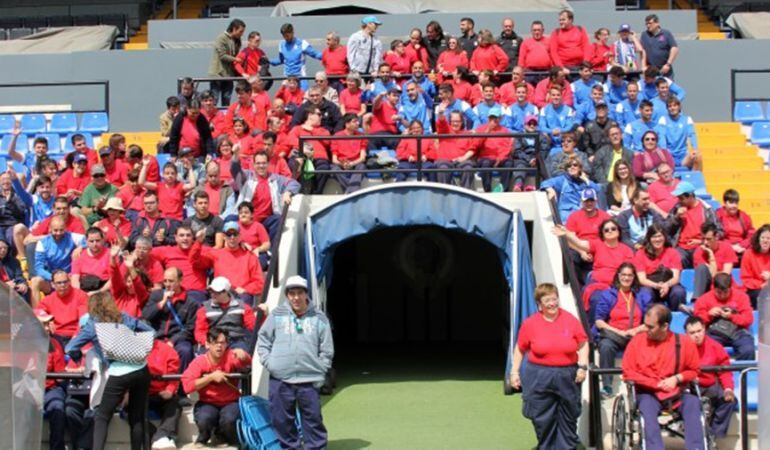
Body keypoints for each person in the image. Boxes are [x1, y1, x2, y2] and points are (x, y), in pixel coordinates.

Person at [65, 292, 154, 450]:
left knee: (101, 416)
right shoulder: (124, 318)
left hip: (119, 372)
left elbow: (70, 347)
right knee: (136, 417)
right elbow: (150, 331)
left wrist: (78, 357)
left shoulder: (93, 325)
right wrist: (134, 345)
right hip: (142, 369)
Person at [258, 275, 334, 450]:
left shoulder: (320, 318)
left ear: (306, 294)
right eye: (292, 293)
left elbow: (327, 348)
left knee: (313, 421)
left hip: (309, 379)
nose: (296, 297)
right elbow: (263, 341)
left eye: (300, 293)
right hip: (280, 380)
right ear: (287, 295)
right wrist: (270, 363)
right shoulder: (276, 315)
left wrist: (322, 368)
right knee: (282, 421)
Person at [509, 283, 588, 450]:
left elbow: (582, 344)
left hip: (567, 373)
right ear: (540, 303)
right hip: (539, 374)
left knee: (568, 414)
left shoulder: (570, 320)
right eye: (547, 300)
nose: (552, 303)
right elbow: (520, 348)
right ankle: (546, 446)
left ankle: (566, 447)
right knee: (541, 415)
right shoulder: (530, 323)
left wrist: (582, 366)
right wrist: (514, 372)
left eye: (554, 299)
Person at [621, 304, 704, 450]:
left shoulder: (684, 342)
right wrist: (655, 384)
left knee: (693, 403)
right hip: (648, 393)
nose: (646, 330)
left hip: (677, 392)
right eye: (645, 325)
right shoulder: (637, 342)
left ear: (665, 326)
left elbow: (694, 370)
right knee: (646, 407)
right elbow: (628, 372)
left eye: (651, 327)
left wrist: (677, 378)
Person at [182, 328, 252, 447]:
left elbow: (246, 364)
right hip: (207, 402)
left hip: (230, 402)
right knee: (205, 417)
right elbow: (187, 386)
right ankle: (204, 437)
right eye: (215, 342)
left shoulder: (230, 355)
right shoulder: (199, 361)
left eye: (222, 342)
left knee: (230, 418)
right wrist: (210, 377)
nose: (219, 346)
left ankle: (222, 437)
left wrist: (243, 355)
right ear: (207, 344)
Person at [593, 263, 651, 395]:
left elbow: (650, 320)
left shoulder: (642, 294)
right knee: (606, 346)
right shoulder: (608, 294)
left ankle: (645, 383)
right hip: (614, 334)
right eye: (623, 275)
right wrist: (618, 331)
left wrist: (636, 330)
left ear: (634, 277)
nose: (626, 278)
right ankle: (607, 385)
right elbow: (599, 321)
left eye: (630, 275)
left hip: (636, 334)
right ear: (618, 276)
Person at [555, 218, 635, 309]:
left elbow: (629, 270)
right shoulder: (598, 244)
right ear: (602, 234)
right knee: (597, 299)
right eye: (606, 230)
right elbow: (580, 243)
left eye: (613, 229)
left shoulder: (626, 250)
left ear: (618, 231)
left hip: (618, 284)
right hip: (598, 283)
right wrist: (567, 233)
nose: (610, 231)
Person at [684, 316, 736, 440]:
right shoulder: (681, 347)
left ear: (704, 329)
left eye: (699, 331)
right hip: (688, 385)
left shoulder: (715, 346)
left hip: (709, 384)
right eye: (692, 333)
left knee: (729, 400)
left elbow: (725, 371)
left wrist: (728, 388)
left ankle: (714, 436)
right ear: (686, 334)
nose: (697, 335)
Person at [191, 223, 264, 306]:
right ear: (224, 237)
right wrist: (198, 242)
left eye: (235, 234)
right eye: (229, 234)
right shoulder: (216, 254)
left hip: (241, 296)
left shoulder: (250, 256)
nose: (232, 237)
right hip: (220, 294)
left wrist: (246, 289)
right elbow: (194, 261)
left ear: (240, 236)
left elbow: (259, 282)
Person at [142, 266, 199, 372]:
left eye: (171, 281)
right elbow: (146, 315)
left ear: (180, 280)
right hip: (157, 337)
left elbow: (190, 328)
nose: (167, 284)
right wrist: (161, 303)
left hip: (178, 339)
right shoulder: (156, 295)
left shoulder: (190, 302)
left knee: (186, 351)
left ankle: (181, 386)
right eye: (165, 281)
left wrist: (173, 341)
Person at [234, 152, 299, 241]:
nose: (261, 166)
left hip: (266, 221)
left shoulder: (276, 179)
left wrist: (288, 192)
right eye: (258, 163)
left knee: (278, 219)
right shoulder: (247, 176)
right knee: (230, 219)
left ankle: (270, 250)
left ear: (268, 164)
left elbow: (294, 183)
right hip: (247, 218)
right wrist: (235, 155)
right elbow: (235, 171)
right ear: (253, 164)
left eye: (264, 163)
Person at [693, 272, 755, 360]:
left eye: (725, 292)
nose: (722, 295)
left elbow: (748, 319)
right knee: (709, 350)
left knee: (748, 350)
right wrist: (709, 315)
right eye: (718, 292)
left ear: (730, 288)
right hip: (714, 333)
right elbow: (697, 322)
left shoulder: (742, 297)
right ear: (713, 288)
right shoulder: (703, 299)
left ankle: (744, 373)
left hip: (738, 331)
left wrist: (732, 316)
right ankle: (715, 373)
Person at [664, 181, 721, 269]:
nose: (679, 201)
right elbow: (666, 229)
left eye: (681, 198)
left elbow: (718, 231)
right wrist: (676, 217)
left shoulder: (707, 210)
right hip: (681, 247)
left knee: (701, 261)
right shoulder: (677, 208)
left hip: (701, 246)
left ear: (690, 196)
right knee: (676, 259)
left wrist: (702, 241)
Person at [31, 218, 86, 306]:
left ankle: (78, 309)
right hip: (51, 280)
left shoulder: (72, 237)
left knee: (77, 279)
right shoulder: (42, 243)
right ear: (50, 229)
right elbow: (39, 268)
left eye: (61, 230)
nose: (58, 233)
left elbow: (89, 239)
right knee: (35, 281)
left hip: (69, 278)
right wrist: (53, 278)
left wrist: (81, 247)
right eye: (55, 230)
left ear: (65, 228)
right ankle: (37, 313)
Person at [194, 276, 257, 351]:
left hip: (236, 341)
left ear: (226, 292)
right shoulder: (204, 309)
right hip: (214, 341)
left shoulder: (243, 307)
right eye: (211, 291)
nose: (213, 295)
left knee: (241, 355)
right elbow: (200, 331)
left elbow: (254, 326)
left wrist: (262, 316)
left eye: (217, 292)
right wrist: (207, 342)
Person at [565, 187, 611, 286]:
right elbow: (569, 239)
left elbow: (610, 237)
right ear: (581, 201)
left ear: (596, 201)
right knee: (571, 256)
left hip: (599, 247)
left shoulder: (605, 217)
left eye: (591, 201)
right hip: (580, 247)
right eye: (586, 201)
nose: (589, 203)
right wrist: (582, 251)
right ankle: (578, 288)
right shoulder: (574, 216)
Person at [634, 224, 687, 310]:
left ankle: (677, 318)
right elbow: (642, 279)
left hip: (669, 285)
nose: (658, 239)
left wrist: (666, 285)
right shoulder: (640, 253)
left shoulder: (672, 252)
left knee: (678, 292)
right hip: (650, 285)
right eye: (654, 237)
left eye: (660, 236)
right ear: (649, 239)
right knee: (645, 293)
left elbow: (676, 277)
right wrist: (656, 286)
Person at [151, 226, 209, 304]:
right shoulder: (166, 251)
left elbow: (221, 255)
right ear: (176, 238)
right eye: (181, 235)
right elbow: (144, 253)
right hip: (173, 292)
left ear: (193, 238)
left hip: (196, 293)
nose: (185, 238)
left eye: (188, 235)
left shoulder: (202, 250)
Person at [37, 308, 68, 450]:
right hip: (27, 387)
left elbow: (60, 376)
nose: (46, 327)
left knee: (58, 407)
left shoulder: (55, 344)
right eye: (42, 324)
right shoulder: (21, 344)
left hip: (50, 388)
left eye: (47, 324)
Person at [146, 338, 182, 450]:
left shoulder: (166, 350)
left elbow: (174, 374)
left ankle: (162, 436)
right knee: (129, 409)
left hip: (161, 392)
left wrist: (170, 390)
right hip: (140, 393)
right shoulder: (129, 349)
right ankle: (158, 437)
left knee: (175, 405)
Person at [541, 155, 600, 223]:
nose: (572, 167)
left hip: (583, 215)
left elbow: (597, 189)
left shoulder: (584, 182)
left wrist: (586, 180)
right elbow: (545, 183)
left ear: (580, 168)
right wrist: (550, 190)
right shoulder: (562, 180)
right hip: (567, 217)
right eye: (569, 166)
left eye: (575, 165)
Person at [473, 107, 515, 192]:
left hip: (499, 158)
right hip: (485, 157)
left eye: (496, 118)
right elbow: (476, 145)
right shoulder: (481, 129)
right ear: (488, 118)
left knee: (509, 163)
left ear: (500, 119)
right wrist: (486, 132)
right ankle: (487, 189)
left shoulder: (504, 130)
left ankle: (503, 188)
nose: (494, 120)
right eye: (492, 118)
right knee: (486, 163)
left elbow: (507, 147)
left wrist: (500, 158)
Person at [692, 223, 738, 299]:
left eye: (708, 239)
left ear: (716, 237)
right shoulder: (699, 252)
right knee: (701, 268)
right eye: (703, 239)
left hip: (724, 285)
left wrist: (711, 256)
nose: (705, 243)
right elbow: (707, 274)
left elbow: (724, 276)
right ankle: (697, 301)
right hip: (707, 287)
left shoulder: (727, 248)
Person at [434, 111, 475, 189]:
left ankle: (465, 194)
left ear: (462, 122)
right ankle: (444, 194)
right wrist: (441, 113)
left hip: (461, 162)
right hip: (445, 161)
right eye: (453, 121)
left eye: (458, 121)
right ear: (450, 121)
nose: (455, 124)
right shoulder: (445, 130)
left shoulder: (467, 134)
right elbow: (441, 123)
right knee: (443, 168)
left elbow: (472, 148)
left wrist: (463, 158)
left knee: (468, 167)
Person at [208, 19, 245, 106]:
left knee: (226, 100)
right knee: (214, 100)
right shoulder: (221, 38)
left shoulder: (237, 41)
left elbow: (236, 55)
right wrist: (236, 59)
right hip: (218, 74)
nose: (242, 34)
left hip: (229, 75)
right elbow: (222, 56)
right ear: (234, 29)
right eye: (240, 31)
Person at [330, 114, 367, 194]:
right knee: (334, 168)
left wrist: (352, 163)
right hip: (342, 163)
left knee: (362, 166)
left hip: (356, 163)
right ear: (347, 124)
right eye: (354, 121)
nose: (357, 123)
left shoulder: (361, 136)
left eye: (358, 121)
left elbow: (362, 157)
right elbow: (334, 159)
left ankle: (349, 192)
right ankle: (353, 192)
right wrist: (342, 164)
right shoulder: (337, 136)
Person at [716, 189, 755, 259]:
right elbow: (715, 236)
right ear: (725, 203)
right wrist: (731, 247)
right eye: (731, 203)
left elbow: (751, 234)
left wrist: (742, 245)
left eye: (736, 203)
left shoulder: (743, 216)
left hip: (742, 248)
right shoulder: (717, 215)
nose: (734, 206)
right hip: (725, 248)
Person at [739, 224, 770, 309]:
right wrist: (762, 285)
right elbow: (746, 279)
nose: (765, 241)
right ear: (758, 239)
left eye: (768, 238)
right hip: (754, 290)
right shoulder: (748, 254)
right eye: (763, 238)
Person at [640, 15, 679, 79]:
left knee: (666, 88)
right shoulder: (644, 35)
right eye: (646, 24)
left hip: (665, 71)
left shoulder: (666, 33)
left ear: (657, 23)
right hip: (651, 72)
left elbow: (674, 48)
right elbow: (643, 51)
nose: (648, 26)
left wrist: (668, 64)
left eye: (650, 23)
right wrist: (643, 66)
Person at [539, 85, 577, 150]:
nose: (556, 97)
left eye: (558, 95)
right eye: (553, 95)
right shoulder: (544, 110)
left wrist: (560, 131)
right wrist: (551, 131)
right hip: (550, 138)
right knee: (543, 134)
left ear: (561, 96)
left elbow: (569, 126)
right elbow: (542, 126)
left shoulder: (568, 110)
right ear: (550, 96)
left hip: (563, 138)